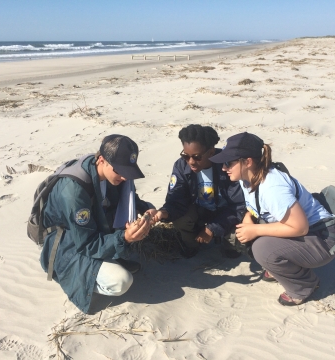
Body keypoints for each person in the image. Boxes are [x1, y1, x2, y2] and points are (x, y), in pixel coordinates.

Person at [209, 132, 335, 306]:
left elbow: (300, 228)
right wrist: (248, 217)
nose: (224, 168)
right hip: (305, 231)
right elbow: (256, 206)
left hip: (322, 238)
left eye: (228, 163)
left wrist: (254, 230)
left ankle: (304, 285)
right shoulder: (247, 177)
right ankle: (283, 266)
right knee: (245, 231)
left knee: (262, 249)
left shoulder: (272, 187)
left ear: (248, 162)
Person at [40, 134, 155, 314]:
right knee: (121, 281)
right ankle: (72, 277)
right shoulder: (74, 192)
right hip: (67, 244)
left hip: (87, 232)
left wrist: (147, 210)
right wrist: (124, 238)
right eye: (120, 171)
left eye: (128, 171)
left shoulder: (110, 174)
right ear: (102, 160)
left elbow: (128, 200)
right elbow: (86, 243)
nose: (125, 177)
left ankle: (110, 259)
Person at [150, 125, 245, 258]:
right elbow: (176, 200)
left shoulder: (228, 165)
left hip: (225, 213)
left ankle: (228, 243)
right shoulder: (181, 166)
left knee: (238, 234)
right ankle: (192, 244)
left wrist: (213, 227)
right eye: (185, 155)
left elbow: (239, 205)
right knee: (181, 219)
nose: (191, 162)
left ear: (211, 152)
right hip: (198, 212)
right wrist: (163, 213)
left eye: (197, 157)